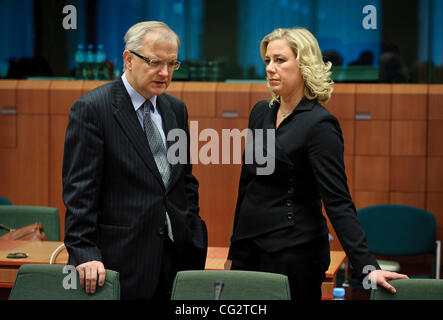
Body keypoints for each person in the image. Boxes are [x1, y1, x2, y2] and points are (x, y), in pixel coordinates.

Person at [225, 27, 408, 300]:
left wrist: (367, 265)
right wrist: (233, 251)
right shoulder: (260, 113)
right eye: (267, 61)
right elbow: (247, 184)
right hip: (248, 249)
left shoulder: (320, 124)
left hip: (293, 252)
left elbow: (337, 201)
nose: (270, 68)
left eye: (280, 60)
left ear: (304, 65)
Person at [63, 21, 207, 300]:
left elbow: (184, 180)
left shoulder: (175, 109)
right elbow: (80, 191)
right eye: (155, 63)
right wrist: (84, 252)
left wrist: (193, 229)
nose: (164, 73)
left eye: (172, 64)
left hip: (176, 258)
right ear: (129, 59)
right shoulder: (93, 109)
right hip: (120, 260)